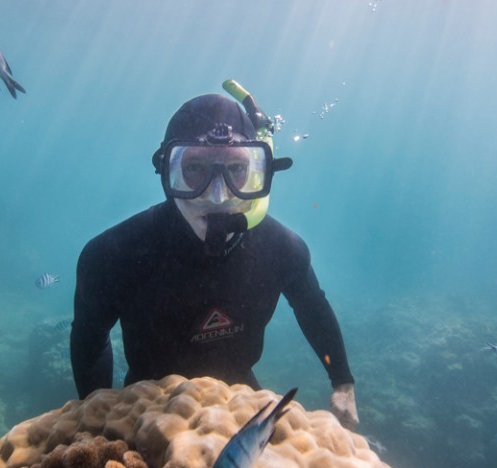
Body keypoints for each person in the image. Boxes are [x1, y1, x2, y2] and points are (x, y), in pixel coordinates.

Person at [70, 89, 359, 430]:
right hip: (146, 407)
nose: (218, 195)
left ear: (258, 172)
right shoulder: (111, 255)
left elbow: (312, 307)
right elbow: (91, 339)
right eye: (195, 168)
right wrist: (95, 414)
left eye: (236, 168)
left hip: (239, 398)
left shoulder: (284, 249)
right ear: (166, 171)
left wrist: (343, 382)